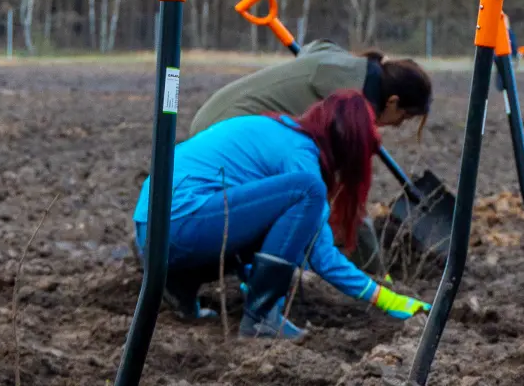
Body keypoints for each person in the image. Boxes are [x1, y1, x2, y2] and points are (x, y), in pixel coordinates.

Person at [134, 91, 431, 339]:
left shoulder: (277, 132)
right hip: (182, 223)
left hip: (152, 231)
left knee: (278, 211)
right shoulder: (299, 155)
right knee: (307, 191)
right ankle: (262, 316)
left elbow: (247, 222)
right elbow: (323, 258)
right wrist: (387, 298)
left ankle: (179, 285)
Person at [188, 39, 432, 136]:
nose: (397, 124)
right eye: (403, 117)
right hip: (221, 136)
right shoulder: (345, 110)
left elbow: (316, 46)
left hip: (210, 118)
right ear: (392, 101)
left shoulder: (344, 65)